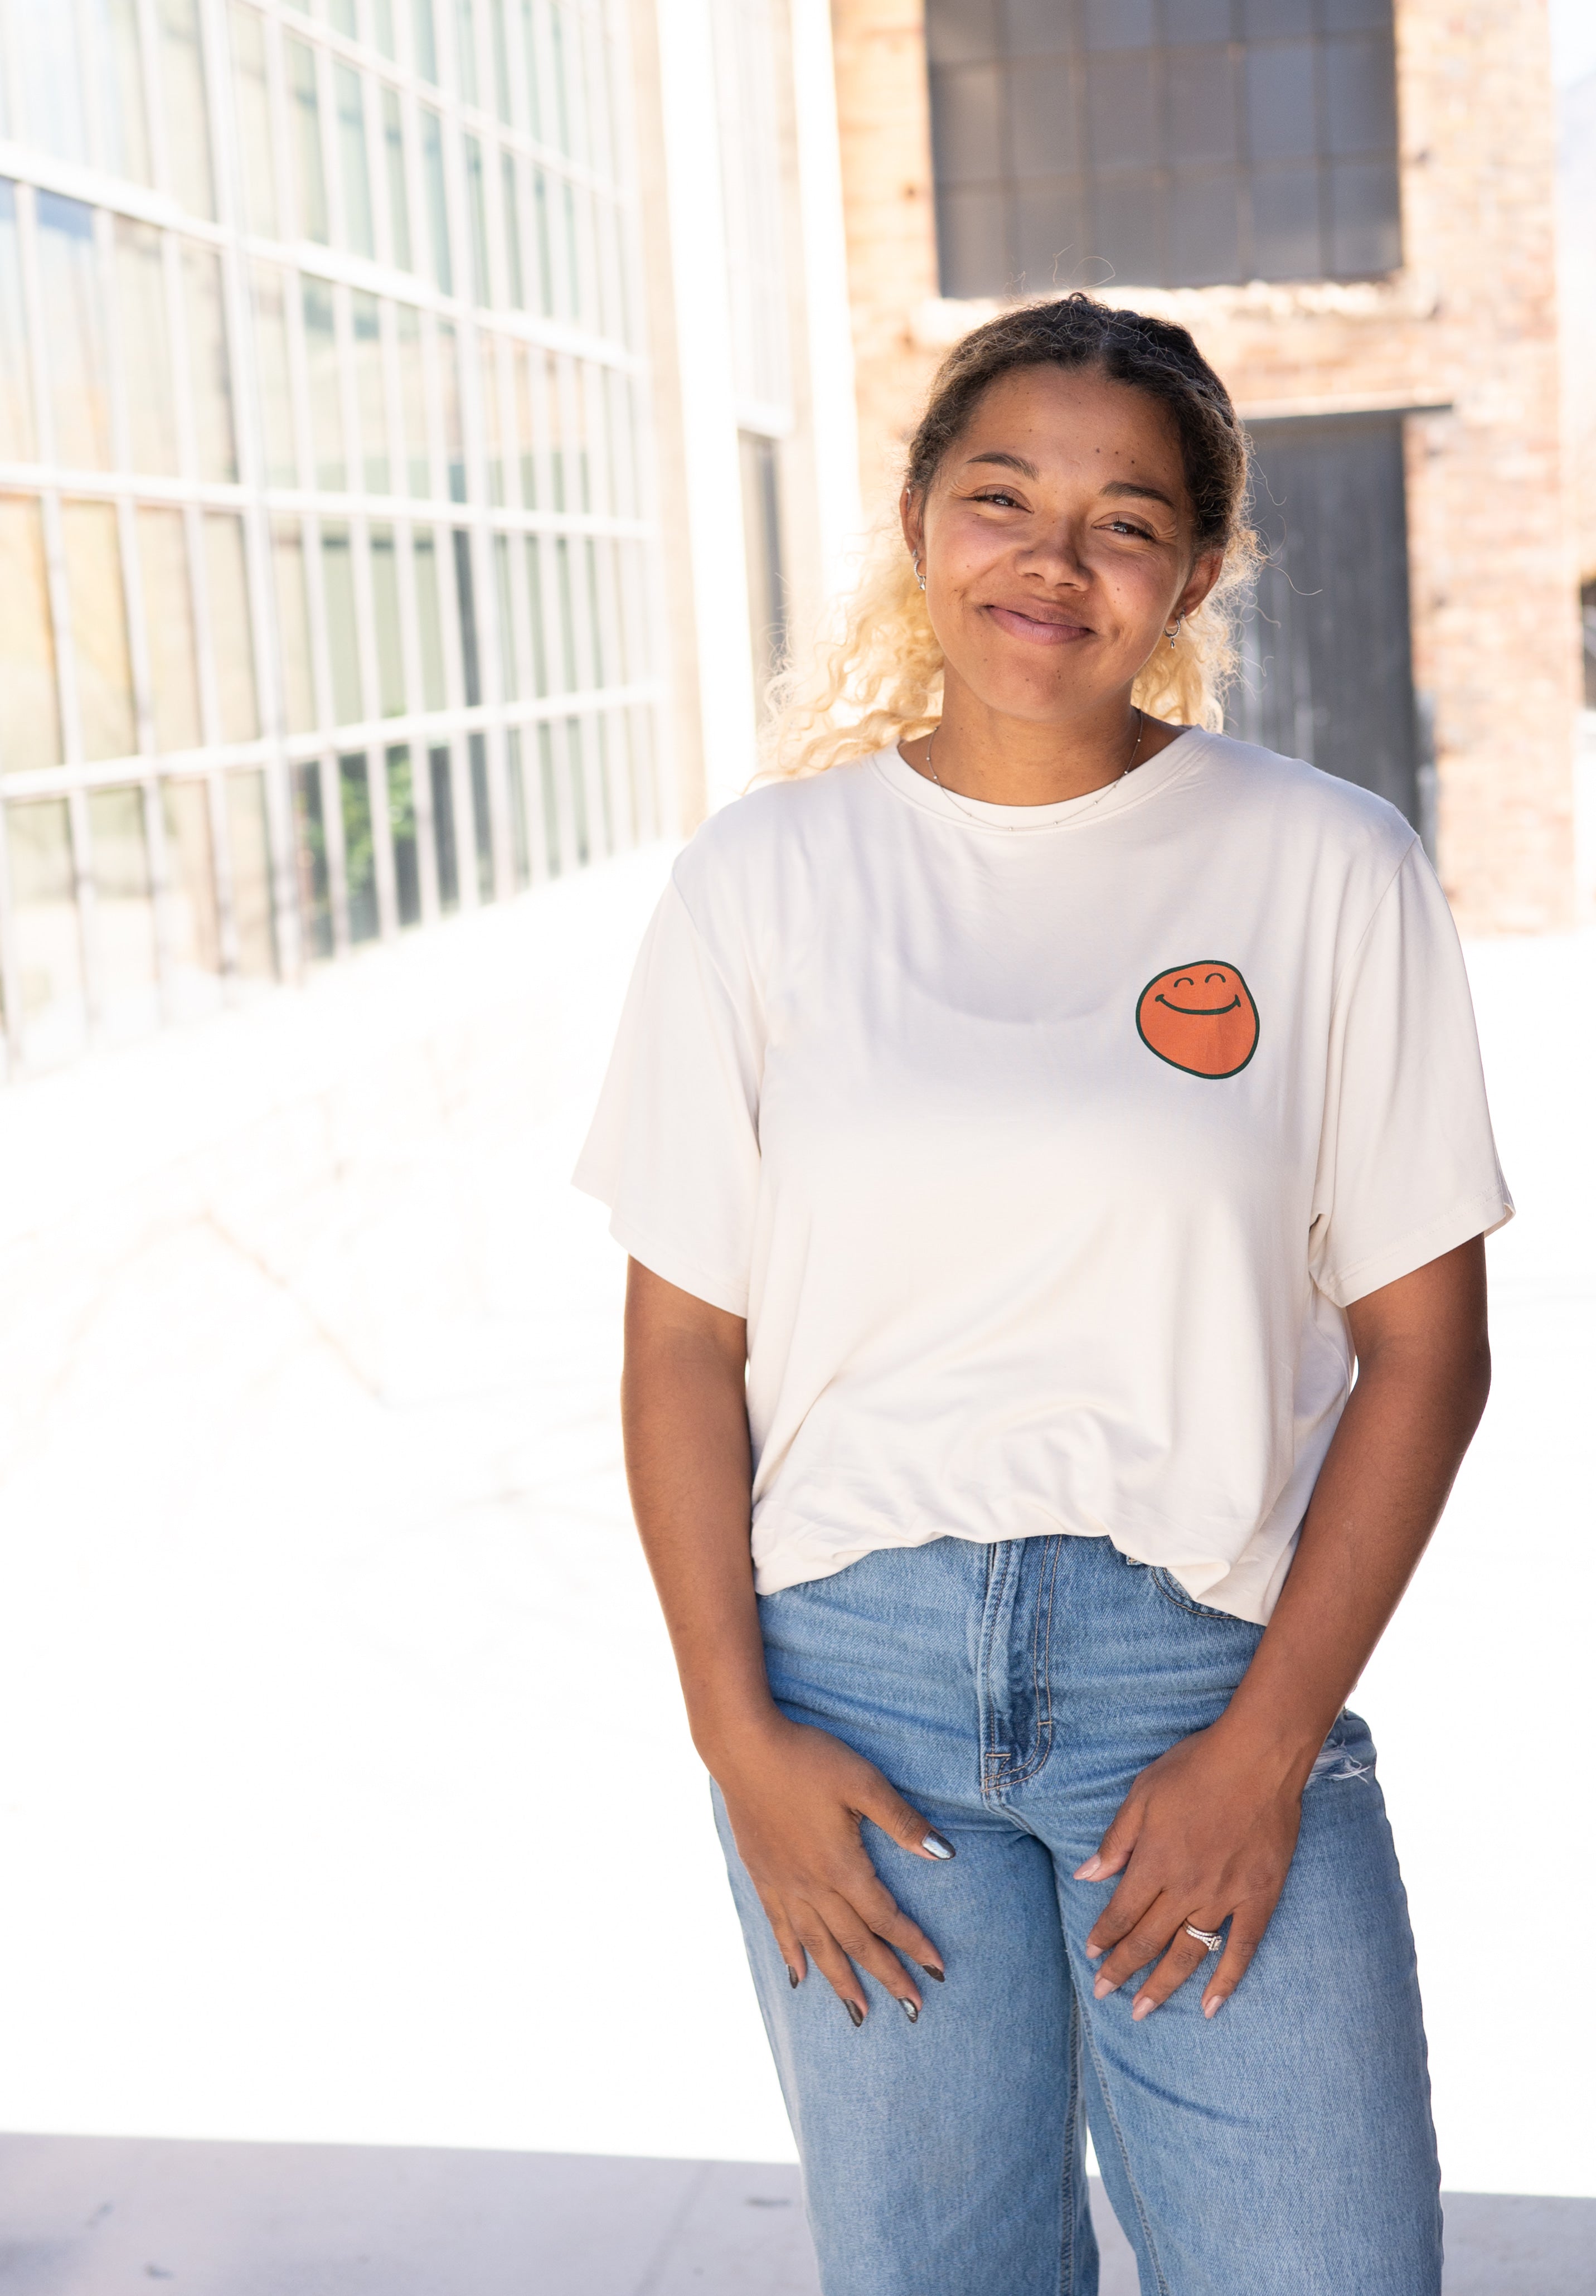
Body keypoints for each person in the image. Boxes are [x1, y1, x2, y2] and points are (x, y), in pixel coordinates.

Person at [575, 292, 1511, 2296]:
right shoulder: (762, 881)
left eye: (1123, 521)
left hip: (1204, 1676)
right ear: (920, 515)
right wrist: (733, 1736)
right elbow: (680, 1346)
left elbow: (1426, 1352)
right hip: (847, 1694)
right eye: (1000, 496)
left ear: (1195, 571)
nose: (1051, 561)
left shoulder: (1324, 868)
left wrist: (1265, 1747)